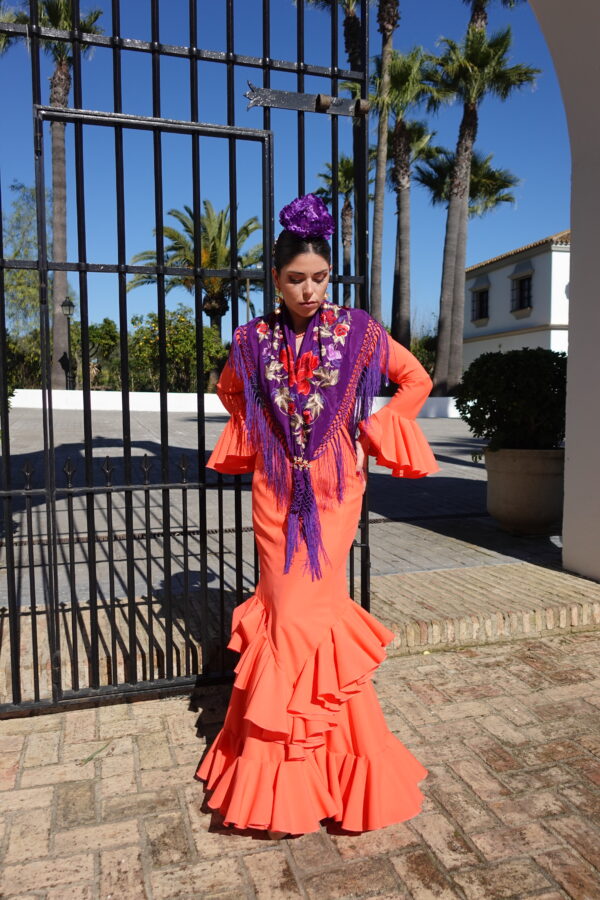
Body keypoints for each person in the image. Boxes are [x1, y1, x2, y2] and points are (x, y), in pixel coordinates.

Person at [196, 193, 439, 838]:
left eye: (320, 278)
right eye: (296, 279)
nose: (309, 290)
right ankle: (288, 767)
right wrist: (263, 438)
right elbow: (228, 390)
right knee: (283, 610)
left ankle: (332, 763)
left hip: (336, 497)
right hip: (275, 496)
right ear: (275, 281)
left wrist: (381, 424)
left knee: (316, 616)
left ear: (331, 276)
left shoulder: (358, 330)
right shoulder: (250, 341)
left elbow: (416, 379)